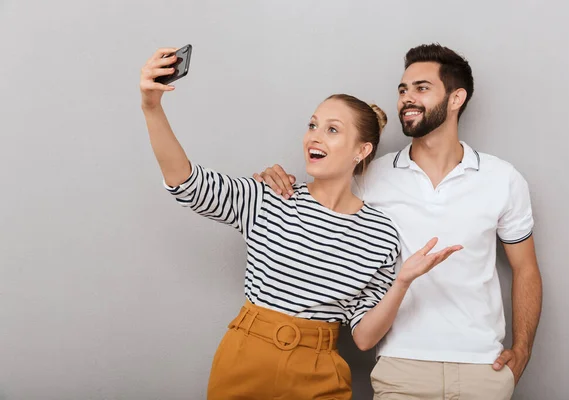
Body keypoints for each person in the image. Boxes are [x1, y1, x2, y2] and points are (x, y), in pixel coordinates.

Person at [139, 47, 461, 400]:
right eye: (312, 125)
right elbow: (187, 183)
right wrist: (152, 108)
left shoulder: (381, 233)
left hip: (320, 371)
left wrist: (402, 282)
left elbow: (365, 337)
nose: (314, 137)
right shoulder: (270, 195)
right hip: (245, 360)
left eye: (332, 129)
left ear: (362, 150)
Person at [256, 43, 543, 400]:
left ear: (456, 98)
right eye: (403, 89)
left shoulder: (503, 179)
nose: (407, 98)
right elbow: (317, 199)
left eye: (422, 88)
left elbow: (526, 268)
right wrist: (274, 179)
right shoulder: (369, 176)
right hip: (400, 367)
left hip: (483, 369)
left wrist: (524, 349)